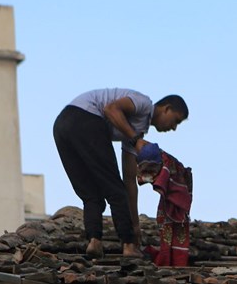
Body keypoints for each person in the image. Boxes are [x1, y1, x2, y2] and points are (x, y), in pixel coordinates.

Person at [53, 89, 188, 258]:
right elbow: (111, 109)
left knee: (92, 194)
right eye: (176, 121)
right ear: (166, 109)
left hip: (62, 126)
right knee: (115, 189)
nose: (174, 128)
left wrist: (136, 225)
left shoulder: (134, 131)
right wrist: (135, 139)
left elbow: (129, 180)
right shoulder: (143, 103)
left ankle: (94, 241)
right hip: (85, 117)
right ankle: (128, 246)